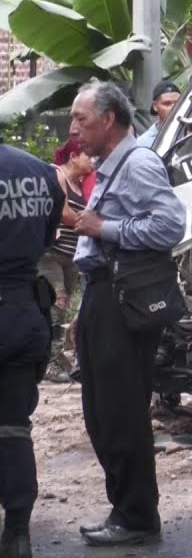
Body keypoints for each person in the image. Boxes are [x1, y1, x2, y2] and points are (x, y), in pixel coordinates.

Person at [68, 82, 186, 547]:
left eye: (82, 119)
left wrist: (106, 227)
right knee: (101, 411)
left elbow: (171, 224)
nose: (73, 128)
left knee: (121, 412)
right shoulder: (110, 166)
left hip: (125, 306)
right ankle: (126, 508)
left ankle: (137, 516)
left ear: (109, 121)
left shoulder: (138, 164)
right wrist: (84, 309)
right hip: (104, 299)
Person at [0, 136, 65, 558]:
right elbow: (48, 236)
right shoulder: (41, 172)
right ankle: (18, 533)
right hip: (25, 311)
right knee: (13, 425)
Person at [38, 141, 92, 316]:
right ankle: (51, 342)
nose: (93, 160)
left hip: (72, 255)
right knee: (57, 302)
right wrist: (93, 225)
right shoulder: (57, 173)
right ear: (73, 157)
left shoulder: (82, 184)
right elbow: (65, 213)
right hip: (53, 253)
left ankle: (61, 342)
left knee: (66, 307)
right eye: (88, 156)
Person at [134, 81, 181, 150]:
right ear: (155, 106)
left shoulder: (191, 130)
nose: (173, 107)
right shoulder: (143, 144)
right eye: (167, 104)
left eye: (178, 102)